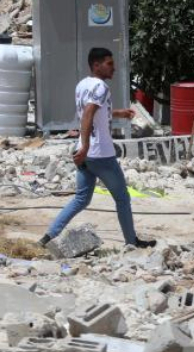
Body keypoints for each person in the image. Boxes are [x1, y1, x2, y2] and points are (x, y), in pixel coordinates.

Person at [41, 47, 156, 251]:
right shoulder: (101, 87)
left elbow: (97, 114)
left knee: (81, 199)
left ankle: (48, 236)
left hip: (84, 155)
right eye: (109, 64)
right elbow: (87, 115)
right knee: (122, 198)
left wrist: (119, 113)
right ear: (96, 65)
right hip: (100, 153)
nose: (113, 68)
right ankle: (131, 241)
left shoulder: (82, 85)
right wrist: (86, 146)